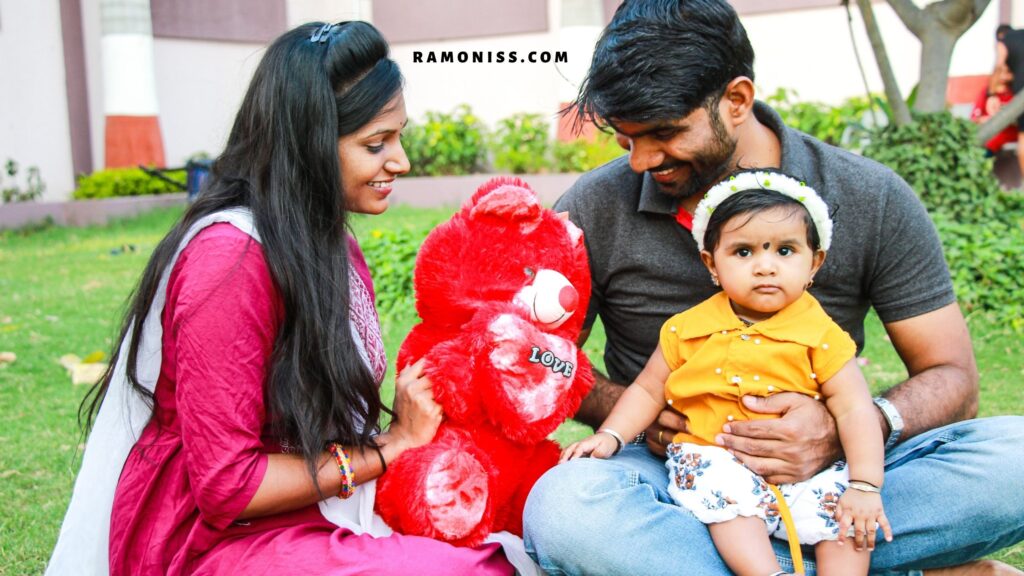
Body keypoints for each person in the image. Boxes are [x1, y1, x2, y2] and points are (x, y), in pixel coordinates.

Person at [523, 1, 1024, 575]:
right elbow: (538, 359)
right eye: (624, 138)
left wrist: (850, 428)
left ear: (736, 100)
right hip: (674, 474)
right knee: (566, 511)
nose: (640, 160)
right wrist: (634, 412)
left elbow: (954, 379)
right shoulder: (593, 206)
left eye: (663, 133)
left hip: (840, 474)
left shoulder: (869, 194)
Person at [47, 21, 519, 576]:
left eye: (397, 136)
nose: (401, 161)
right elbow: (229, 488)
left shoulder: (325, 239)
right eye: (376, 144)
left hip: (305, 513)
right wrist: (389, 447)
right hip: (211, 543)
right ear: (309, 144)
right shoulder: (230, 262)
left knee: (499, 521)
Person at [560, 171, 892, 576]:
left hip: (806, 465)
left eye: (785, 251)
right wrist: (610, 436)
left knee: (845, 516)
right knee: (723, 497)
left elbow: (855, 409)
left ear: (814, 263)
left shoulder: (821, 336)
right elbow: (648, 391)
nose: (765, 267)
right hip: (717, 454)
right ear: (711, 264)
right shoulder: (687, 329)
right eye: (744, 252)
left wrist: (865, 485)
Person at [971, 64, 1017, 156]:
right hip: (986, 134)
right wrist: (985, 119)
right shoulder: (986, 92)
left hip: (1005, 136)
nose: (1003, 76)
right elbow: (974, 118)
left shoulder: (1015, 93)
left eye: (1007, 72)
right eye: (1000, 72)